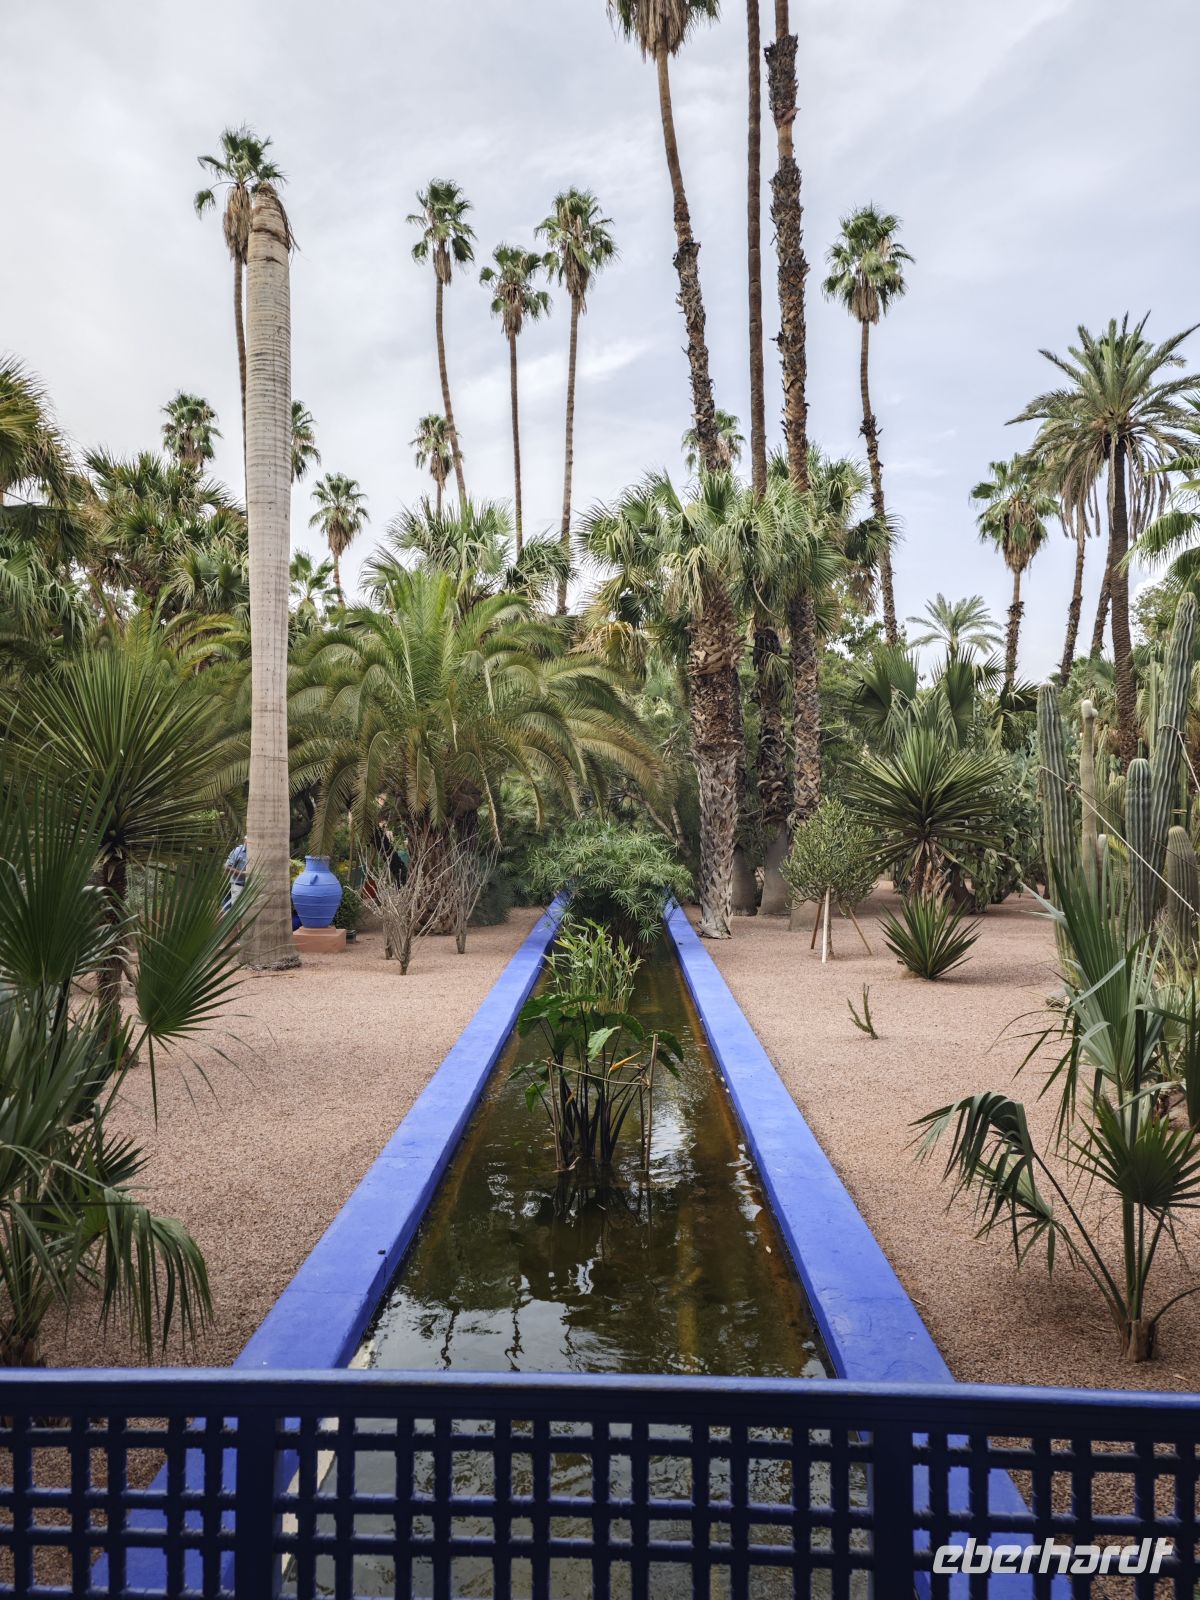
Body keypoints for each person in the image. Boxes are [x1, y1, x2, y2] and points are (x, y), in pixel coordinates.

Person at [223, 840, 247, 910]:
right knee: (237, 910)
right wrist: (242, 873)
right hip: (238, 885)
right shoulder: (238, 851)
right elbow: (227, 867)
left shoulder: (257, 850)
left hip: (252, 886)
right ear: (245, 840)